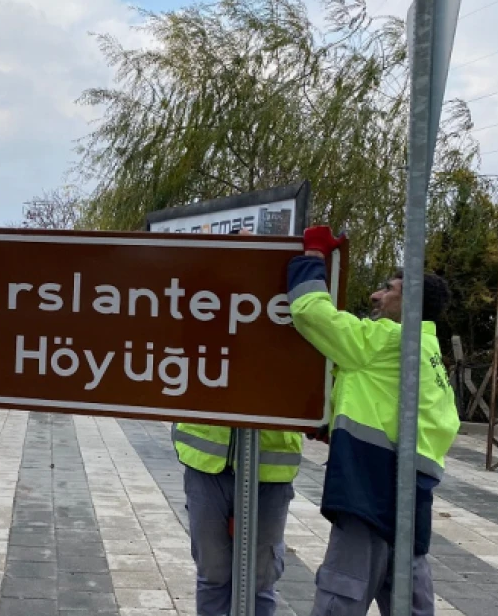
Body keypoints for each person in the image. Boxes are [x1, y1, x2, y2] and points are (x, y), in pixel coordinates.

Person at [286, 226, 460, 616]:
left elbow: (310, 313)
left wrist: (311, 257)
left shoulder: (389, 341)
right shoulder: (428, 349)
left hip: (370, 486)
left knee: (341, 591)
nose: (376, 295)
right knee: (408, 593)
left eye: (389, 289)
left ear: (410, 302)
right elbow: (412, 413)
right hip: (410, 493)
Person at [172, 230, 305, 616]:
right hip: (205, 465)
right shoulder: (203, 305)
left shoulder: (291, 308)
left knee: (260, 581)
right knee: (213, 575)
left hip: (270, 467)